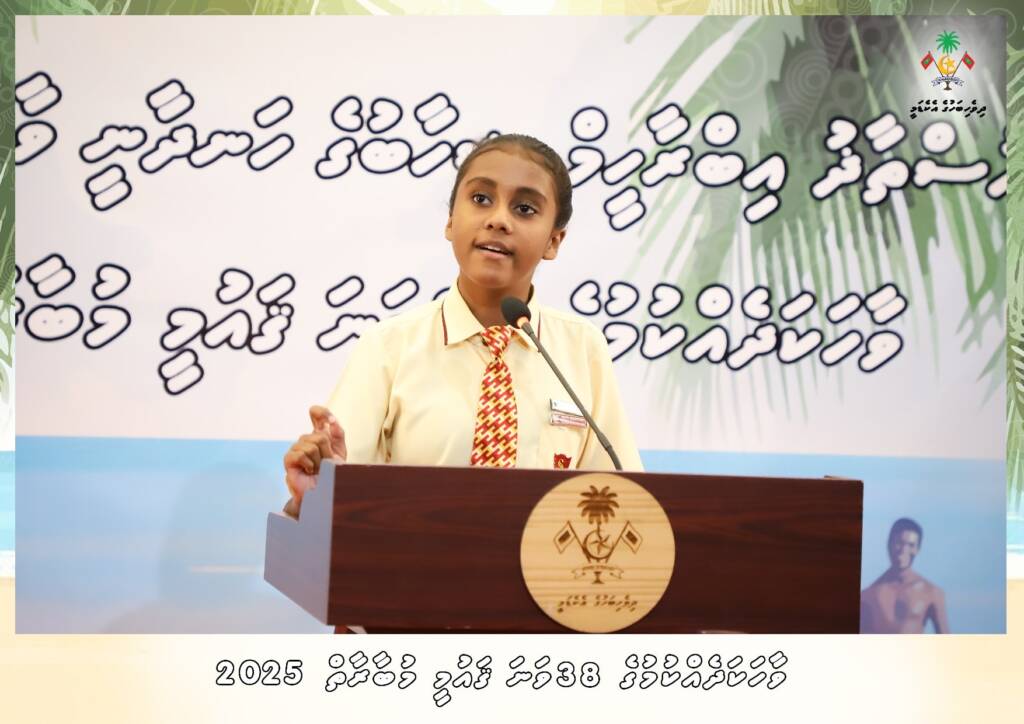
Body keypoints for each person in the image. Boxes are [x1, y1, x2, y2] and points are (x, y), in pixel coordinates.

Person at [283, 134, 643, 518]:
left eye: (524, 209)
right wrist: (314, 495)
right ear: (451, 221)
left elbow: (624, 500)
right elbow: (335, 488)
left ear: (554, 240)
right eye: (481, 199)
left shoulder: (581, 348)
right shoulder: (389, 347)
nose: (498, 219)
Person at [859, 518, 950, 634]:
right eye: (899, 543)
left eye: (911, 545)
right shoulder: (868, 595)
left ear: (917, 549)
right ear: (889, 544)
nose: (904, 550)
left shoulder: (932, 593)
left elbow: (945, 639)